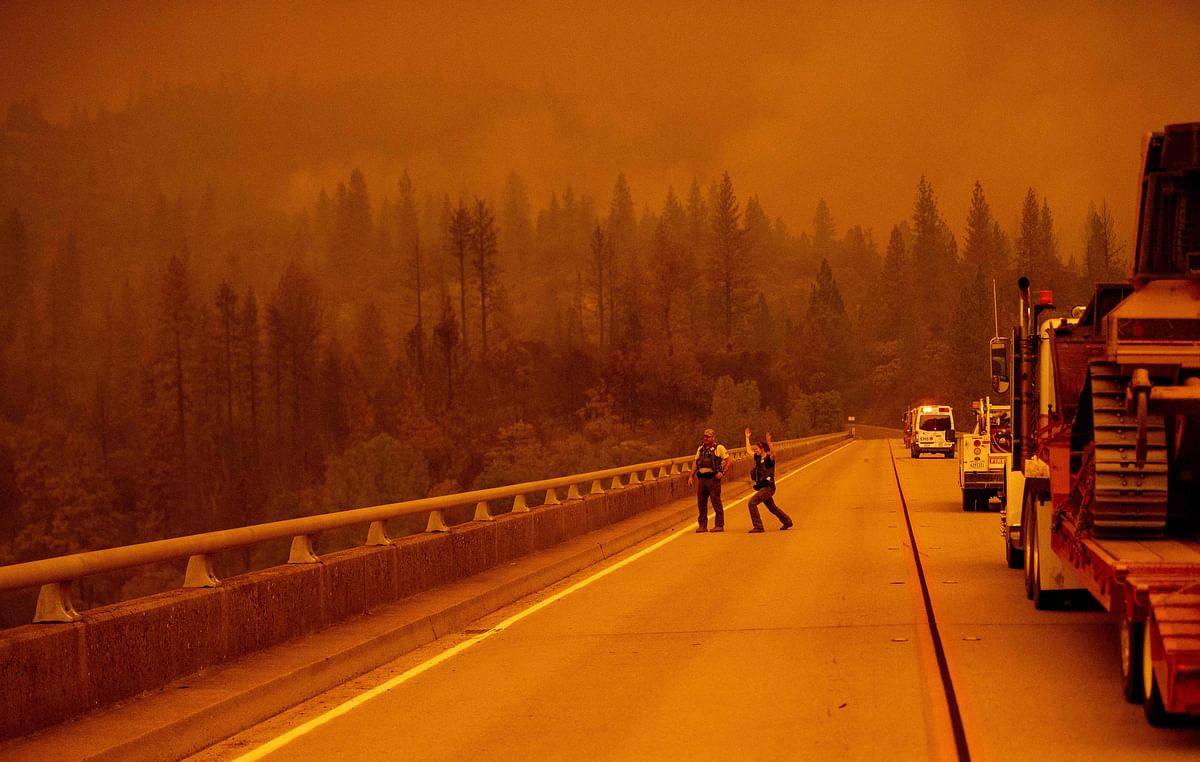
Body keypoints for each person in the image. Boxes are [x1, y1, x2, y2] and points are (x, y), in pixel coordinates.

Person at [744, 427, 792, 532]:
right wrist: (747, 438)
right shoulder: (758, 458)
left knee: (752, 503)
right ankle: (787, 522)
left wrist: (770, 443)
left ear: (762, 449)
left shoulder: (769, 459)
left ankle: (758, 526)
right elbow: (748, 451)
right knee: (772, 508)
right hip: (762, 487)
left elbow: (774, 454)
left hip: (768, 487)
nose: (755, 450)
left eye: (757, 449)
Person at [687, 427, 730, 532]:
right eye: (705, 436)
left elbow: (728, 460)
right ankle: (702, 525)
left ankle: (719, 525)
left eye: (708, 436)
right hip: (702, 479)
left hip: (713, 479)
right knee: (701, 503)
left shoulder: (719, 448)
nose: (706, 438)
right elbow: (695, 462)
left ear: (713, 437)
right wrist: (691, 476)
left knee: (716, 502)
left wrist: (722, 472)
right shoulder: (700, 449)